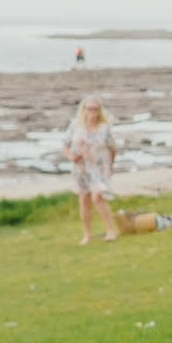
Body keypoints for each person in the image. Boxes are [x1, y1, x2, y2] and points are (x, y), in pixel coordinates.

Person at [63, 96, 120, 244]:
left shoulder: (104, 127)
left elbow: (113, 148)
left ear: (100, 111)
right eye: (89, 109)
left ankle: (111, 231)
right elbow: (65, 145)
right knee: (84, 200)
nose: (92, 112)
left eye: (96, 109)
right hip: (81, 168)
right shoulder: (75, 125)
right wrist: (71, 157)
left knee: (97, 197)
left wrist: (111, 167)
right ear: (84, 110)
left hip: (99, 168)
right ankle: (87, 234)